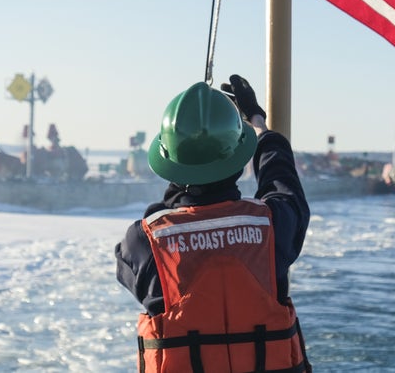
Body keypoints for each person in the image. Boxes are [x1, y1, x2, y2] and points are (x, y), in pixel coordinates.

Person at [115, 74, 312, 372]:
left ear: (170, 165)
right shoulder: (273, 226)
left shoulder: (143, 242)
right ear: (237, 159)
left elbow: (147, 239)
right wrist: (257, 121)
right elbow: (282, 182)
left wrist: (181, 185)